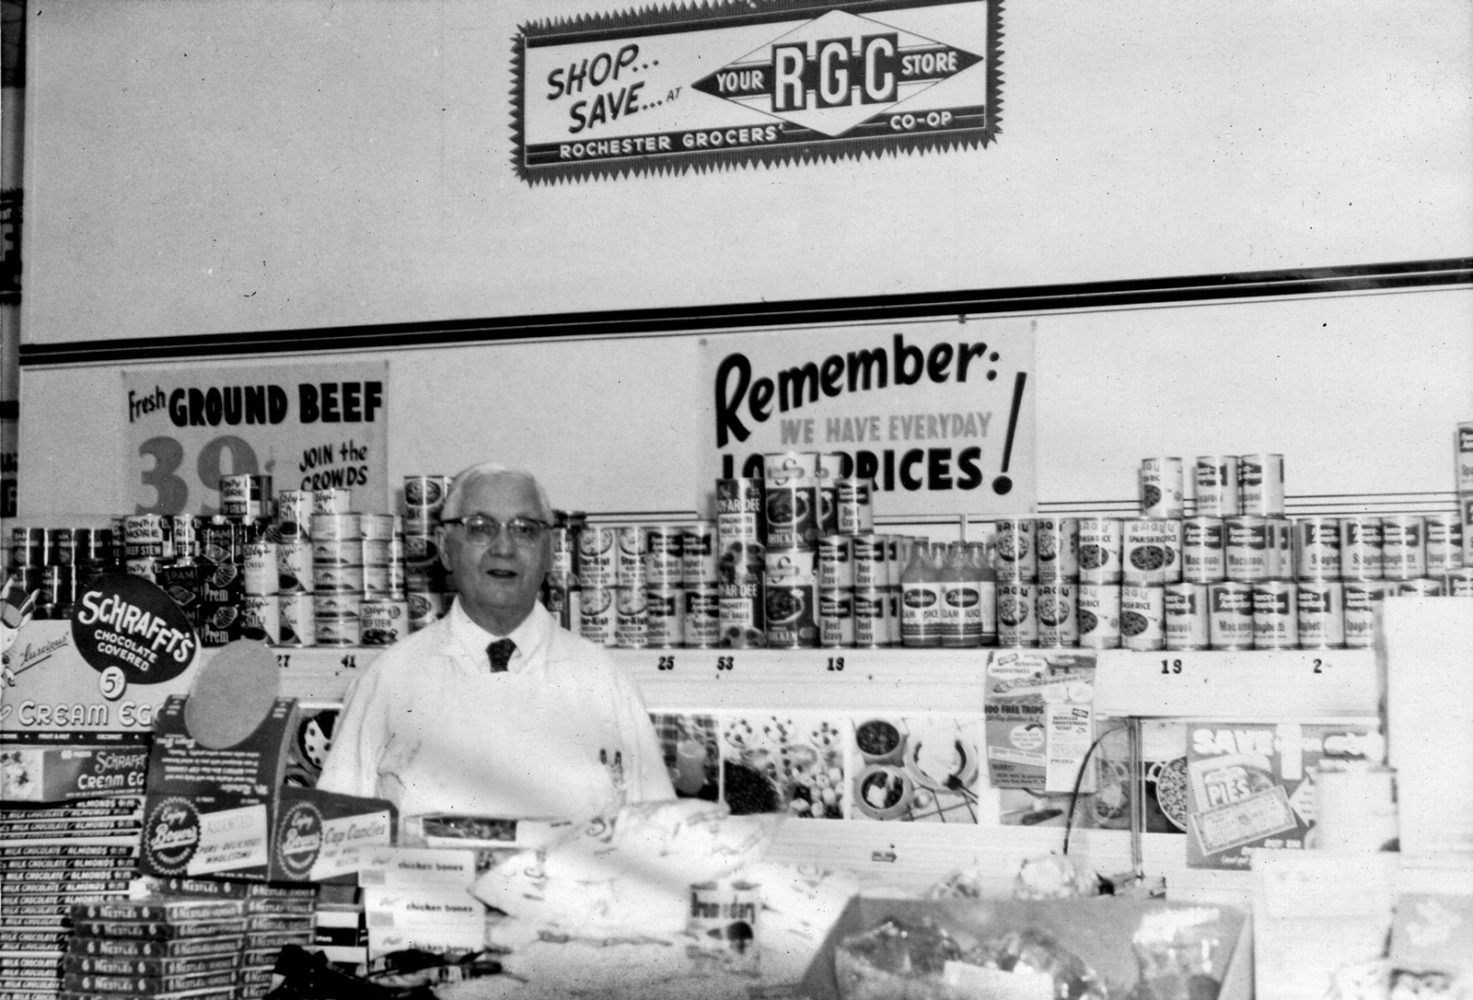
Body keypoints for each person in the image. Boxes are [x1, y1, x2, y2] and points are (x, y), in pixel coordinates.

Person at [317, 462, 674, 820]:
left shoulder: (606, 683)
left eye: (524, 530)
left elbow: (663, 844)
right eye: (480, 528)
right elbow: (335, 843)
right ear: (444, 547)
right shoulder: (388, 681)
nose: (503, 547)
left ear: (550, 551)